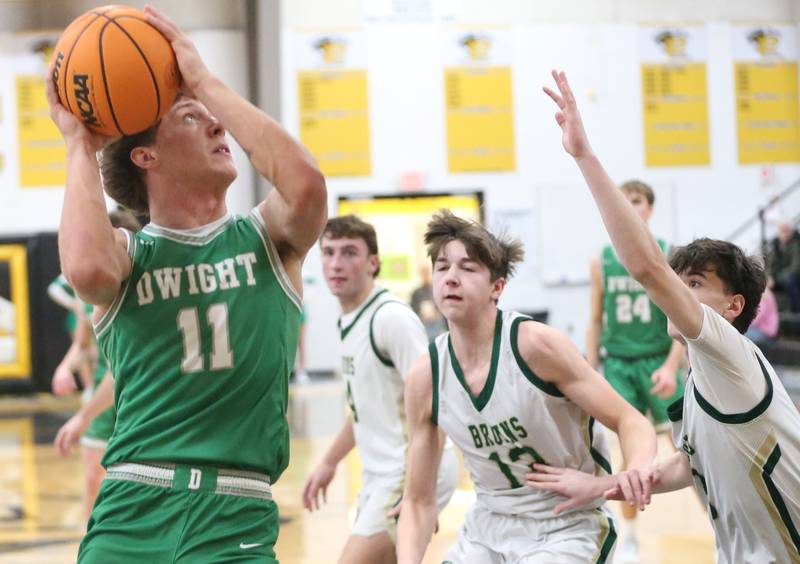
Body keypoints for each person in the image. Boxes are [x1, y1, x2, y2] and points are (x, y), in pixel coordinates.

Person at [48, 6, 327, 562]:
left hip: (236, 517)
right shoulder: (129, 256)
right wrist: (79, 142)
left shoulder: (266, 239)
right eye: (192, 118)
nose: (219, 124)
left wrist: (202, 83)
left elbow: (306, 184)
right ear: (145, 155)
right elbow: (86, 269)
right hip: (132, 507)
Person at [545, 69, 800, 563]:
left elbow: (646, 268)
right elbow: (687, 466)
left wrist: (584, 155)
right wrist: (603, 485)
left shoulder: (729, 352)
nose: (677, 294)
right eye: (680, 282)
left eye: (696, 284)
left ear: (733, 307)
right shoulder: (704, 377)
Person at [396, 210, 657, 564]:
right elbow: (418, 501)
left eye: (467, 268)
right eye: (442, 267)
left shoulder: (536, 347)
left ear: (497, 287)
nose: (451, 278)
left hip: (565, 525)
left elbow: (632, 421)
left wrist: (633, 472)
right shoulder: (425, 376)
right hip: (486, 531)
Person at [303, 216, 458, 564]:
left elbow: (439, 400)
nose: (336, 263)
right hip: (381, 474)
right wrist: (328, 462)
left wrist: (420, 493)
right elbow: (363, 407)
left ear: (373, 263)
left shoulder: (390, 319)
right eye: (328, 253)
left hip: (409, 468)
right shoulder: (348, 319)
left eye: (349, 253)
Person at [586, 179, 685, 561]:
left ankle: (717, 523)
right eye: (624, 201)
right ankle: (630, 535)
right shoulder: (602, 260)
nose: (630, 207)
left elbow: (683, 316)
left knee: (688, 450)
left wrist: (672, 364)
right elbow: (595, 318)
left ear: (650, 208)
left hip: (659, 362)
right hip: (620, 365)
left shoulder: (668, 254)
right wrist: (591, 365)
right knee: (629, 455)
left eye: (638, 201)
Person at [52, 210, 142, 520]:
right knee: (94, 478)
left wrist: (81, 416)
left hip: (138, 395)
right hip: (104, 397)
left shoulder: (139, 292)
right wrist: (65, 367)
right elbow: (81, 344)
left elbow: (124, 370)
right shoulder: (87, 293)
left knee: (138, 487)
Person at [767, 221, 800, 312]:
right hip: (779, 278)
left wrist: (775, 279)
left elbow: (796, 268)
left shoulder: (797, 244)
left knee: (790, 281)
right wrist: (769, 277)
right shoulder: (776, 245)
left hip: (794, 278)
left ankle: (795, 313)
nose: (785, 234)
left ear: (792, 232)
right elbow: (770, 265)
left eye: (787, 231)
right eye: (782, 231)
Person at [410, 264, 447, 342]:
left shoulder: (437, 290)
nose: (425, 275)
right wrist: (421, 313)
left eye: (427, 273)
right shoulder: (416, 293)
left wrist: (437, 312)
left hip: (437, 324)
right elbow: (412, 308)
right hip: (424, 324)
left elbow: (444, 306)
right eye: (423, 273)